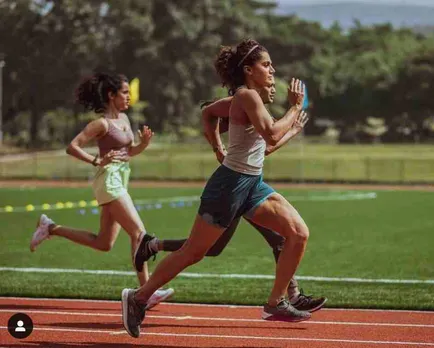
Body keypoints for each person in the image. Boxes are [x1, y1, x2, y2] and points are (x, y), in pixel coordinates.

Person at [122, 39, 315, 338]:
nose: (272, 69)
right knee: (193, 253)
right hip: (229, 185)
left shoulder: (250, 100)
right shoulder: (247, 96)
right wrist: (294, 108)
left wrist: (218, 147)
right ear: (249, 70)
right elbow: (273, 136)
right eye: (266, 65)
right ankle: (138, 297)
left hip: (252, 184)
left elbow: (209, 114)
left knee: (298, 233)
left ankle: (276, 302)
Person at [133, 85, 327, 314]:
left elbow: (263, 142)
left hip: (250, 186)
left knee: (278, 237)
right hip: (234, 186)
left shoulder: (256, 110)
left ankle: (286, 298)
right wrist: (218, 147)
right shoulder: (244, 103)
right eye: (268, 71)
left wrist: (218, 146)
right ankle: (145, 277)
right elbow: (266, 142)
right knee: (204, 249)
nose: (273, 82)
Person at [29, 72, 173, 310]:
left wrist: (143, 145)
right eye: (124, 93)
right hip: (108, 181)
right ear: (111, 95)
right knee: (139, 234)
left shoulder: (125, 119)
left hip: (120, 179)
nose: (129, 97)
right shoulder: (101, 124)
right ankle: (147, 292)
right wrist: (97, 161)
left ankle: (50, 227)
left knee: (104, 243)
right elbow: (72, 147)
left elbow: (128, 153)